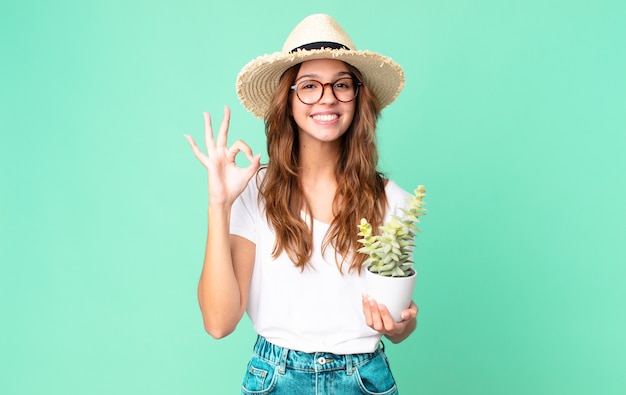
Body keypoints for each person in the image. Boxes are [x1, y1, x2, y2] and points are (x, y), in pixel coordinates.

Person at [185, 13, 419, 395]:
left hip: (364, 379)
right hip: (274, 378)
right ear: (288, 102)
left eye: (341, 85)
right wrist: (219, 204)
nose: (327, 97)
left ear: (358, 99)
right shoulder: (254, 191)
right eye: (309, 86)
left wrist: (401, 326)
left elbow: (399, 325)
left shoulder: (393, 201)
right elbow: (218, 323)